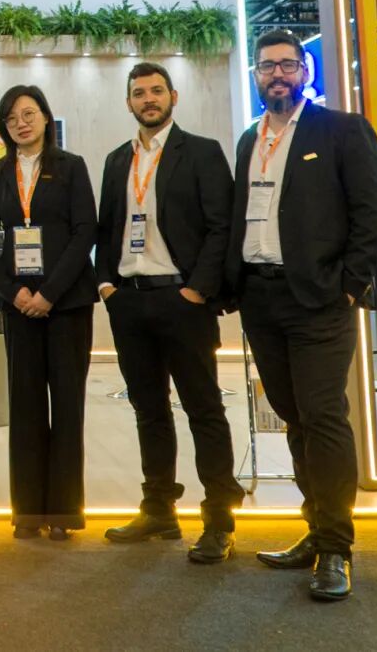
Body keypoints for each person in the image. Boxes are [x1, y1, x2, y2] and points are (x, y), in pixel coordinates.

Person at [227, 30, 377, 601]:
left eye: (287, 65)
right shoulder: (249, 140)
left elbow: (372, 212)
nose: (277, 74)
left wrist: (349, 286)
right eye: (267, 66)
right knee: (293, 418)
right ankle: (316, 530)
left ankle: (337, 549)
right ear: (256, 75)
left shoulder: (341, 130)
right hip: (261, 298)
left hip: (319, 300)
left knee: (323, 417)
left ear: (305, 71)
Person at [97, 62, 245, 563]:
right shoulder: (117, 160)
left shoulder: (201, 152)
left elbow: (222, 226)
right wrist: (107, 285)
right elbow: (107, 228)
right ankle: (159, 509)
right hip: (129, 300)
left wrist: (198, 290)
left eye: (156, 91)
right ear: (129, 103)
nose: (149, 99)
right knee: (149, 410)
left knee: (204, 409)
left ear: (173, 97)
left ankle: (219, 520)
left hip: (183, 300)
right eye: (139, 93)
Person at [0, 85, 97, 541]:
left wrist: (49, 293)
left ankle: (64, 513)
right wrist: (13, 293)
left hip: (66, 304)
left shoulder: (71, 166)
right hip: (18, 307)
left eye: (28, 114)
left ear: (46, 118)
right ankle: (28, 512)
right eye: (11, 118)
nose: (21, 123)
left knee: (67, 407)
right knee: (25, 407)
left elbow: (85, 231)